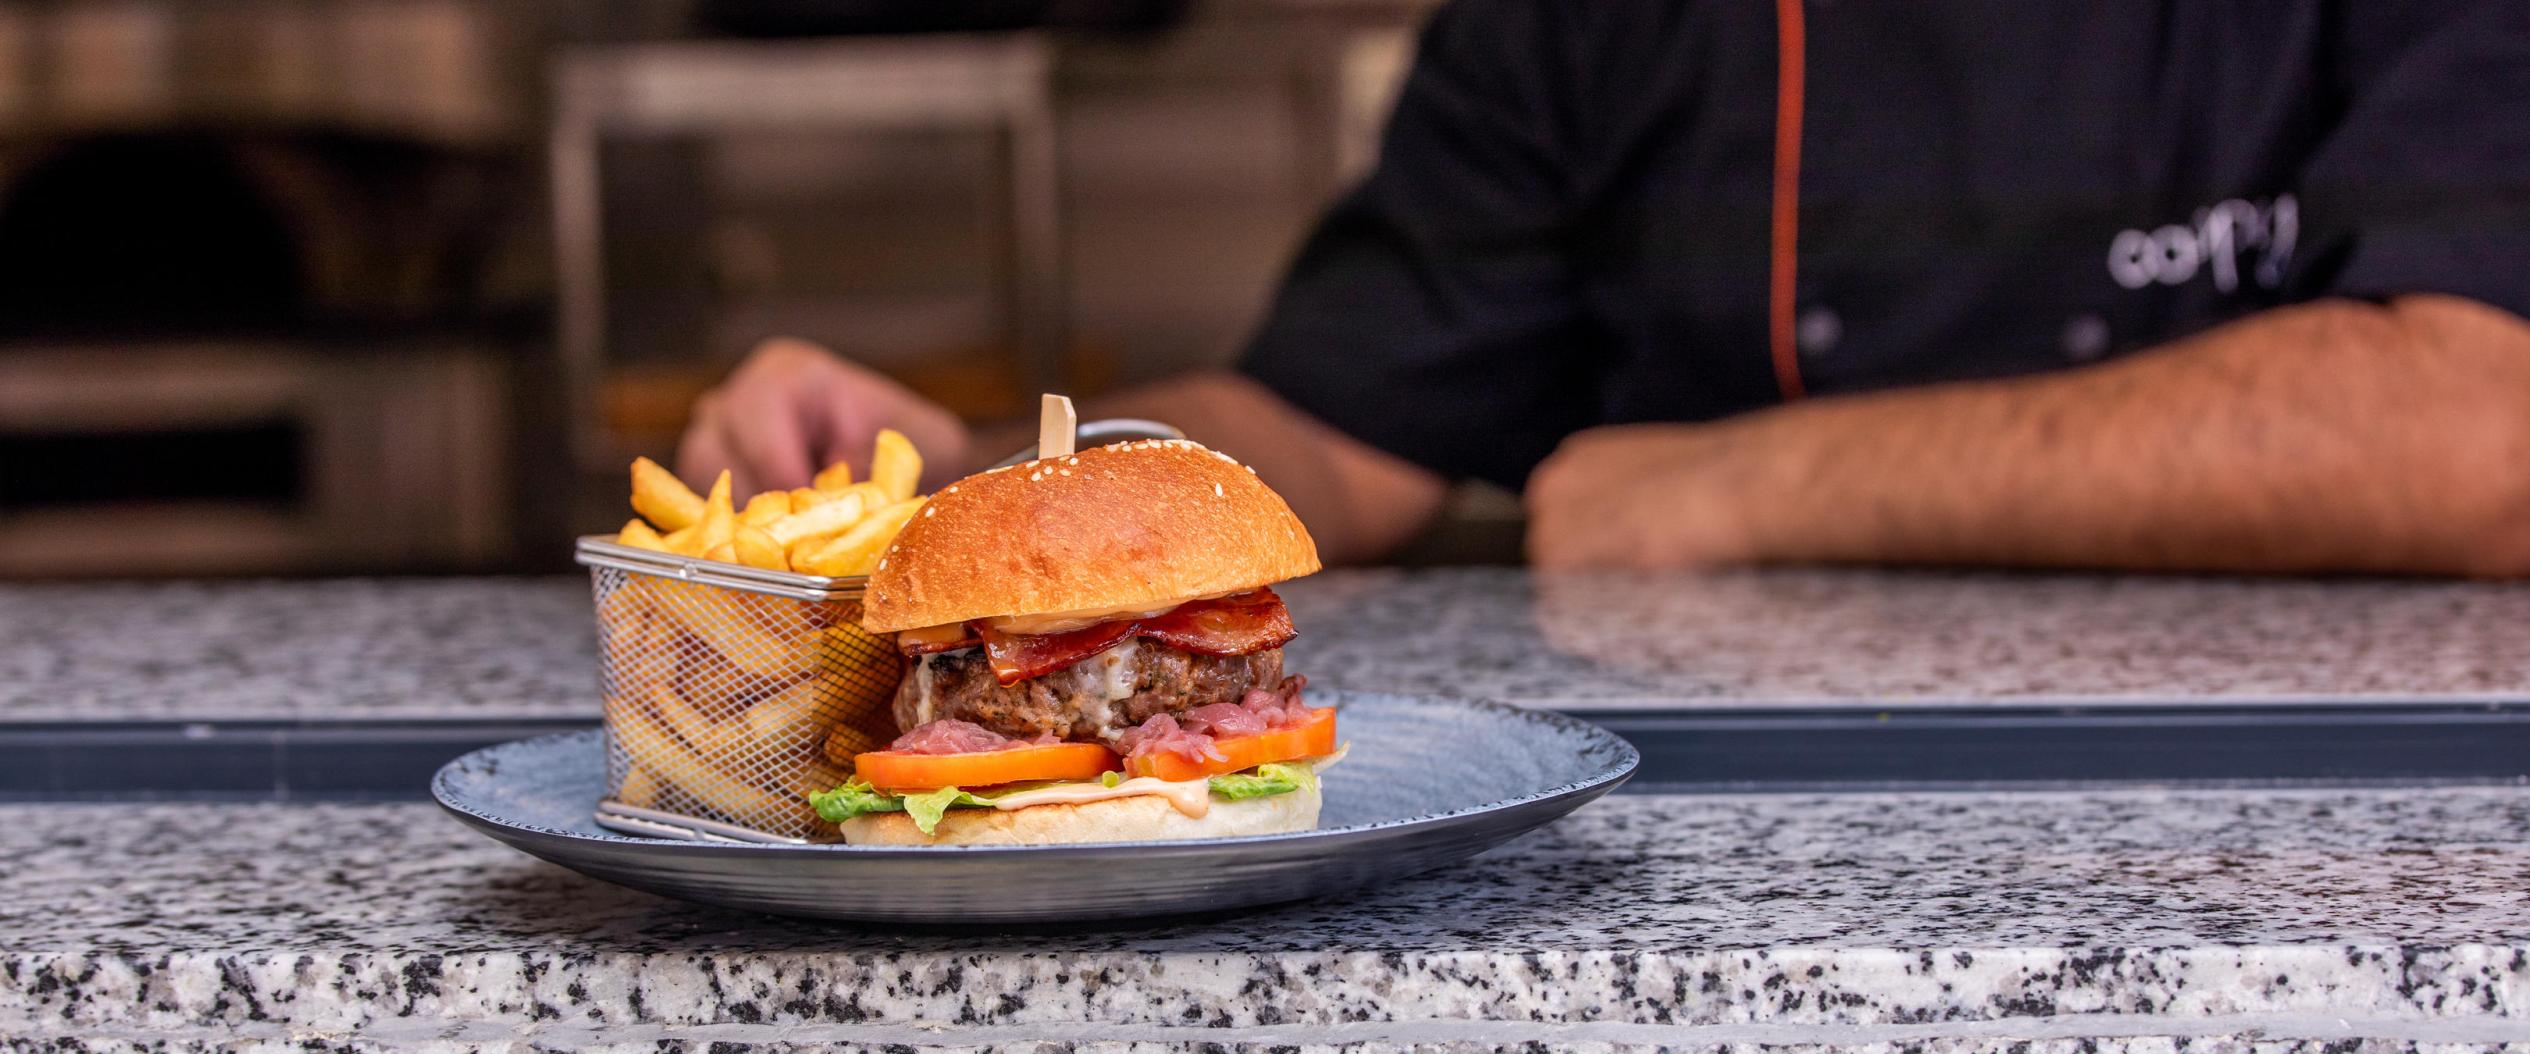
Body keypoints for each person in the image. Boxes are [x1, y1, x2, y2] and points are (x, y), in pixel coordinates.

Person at [679, 0, 2530, 575]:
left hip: (2329, 835)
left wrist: (1731, 484)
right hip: (1727, 850)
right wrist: (979, 479)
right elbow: (1324, 435)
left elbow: (2478, 422)